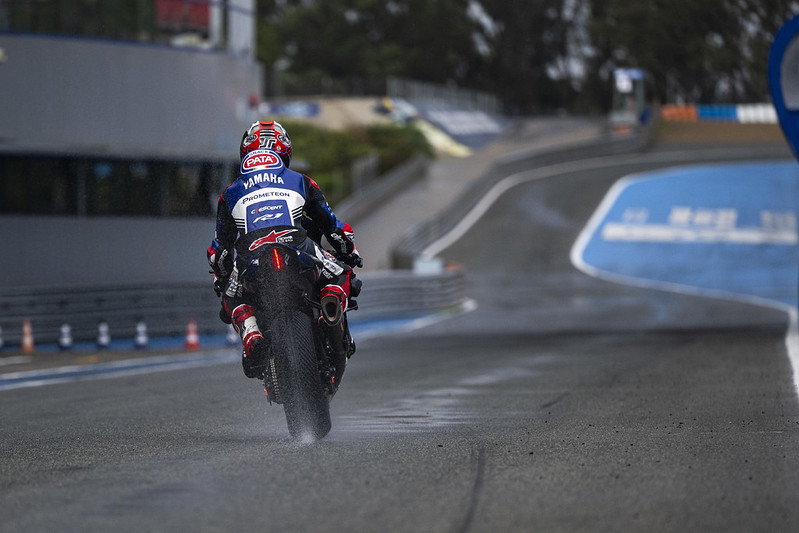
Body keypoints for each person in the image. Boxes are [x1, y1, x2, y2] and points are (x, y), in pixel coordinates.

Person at [207, 120, 362, 378]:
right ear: (285, 151)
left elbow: (219, 252)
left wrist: (221, 277)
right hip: (299, 247)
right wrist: (349, 252)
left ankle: (252, 334)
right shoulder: (301, 181)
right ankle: (331, 303)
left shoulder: (230, 193)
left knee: (231, 296)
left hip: (251, 260)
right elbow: (335, 228)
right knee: (342, 273)